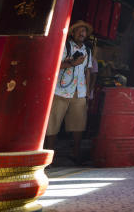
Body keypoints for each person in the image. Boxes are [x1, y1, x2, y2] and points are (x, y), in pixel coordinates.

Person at [45, 21, 95, 163]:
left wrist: (87, 91)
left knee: (79, 123)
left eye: (84, 31)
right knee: (53, 122)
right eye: (78, 30)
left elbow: (88, 71)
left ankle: (75, 153)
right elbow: (55, 65)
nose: (81, 33)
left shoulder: (88, 51)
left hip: (79, 91)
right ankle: (48, 156)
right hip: (61, 90)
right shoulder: (65, 46)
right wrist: (72, 64)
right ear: (73, 33)